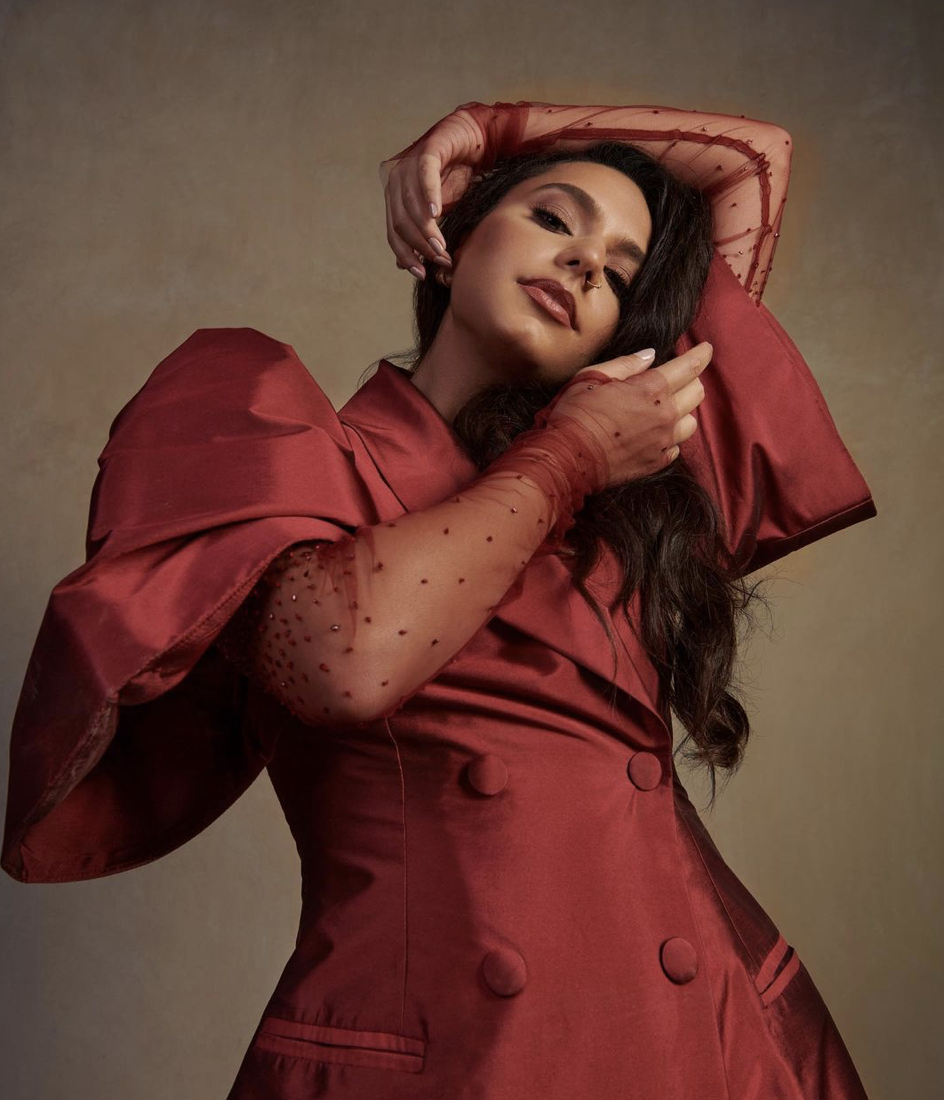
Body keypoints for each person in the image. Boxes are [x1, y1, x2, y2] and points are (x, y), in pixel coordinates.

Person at [2, 101, 876, 1099]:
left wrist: (491, 128)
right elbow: (345, 659)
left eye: (622, 274)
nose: (588, 264)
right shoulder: (268, 422)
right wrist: (572, 451)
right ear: (452, 235)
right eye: (553, 218)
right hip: (452, 1059)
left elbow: (749, 164)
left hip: (713, 1042)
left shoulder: (635, 495)